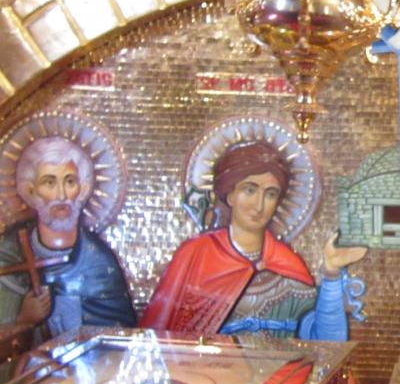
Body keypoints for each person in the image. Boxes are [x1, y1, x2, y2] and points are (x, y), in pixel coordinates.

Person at [140, 141, 366, 340]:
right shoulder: (196, 254)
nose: (259, 205)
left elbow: (325, 342)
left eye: (270, 194)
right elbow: (158, 337)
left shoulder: (288, 264)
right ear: (230, 195)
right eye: (249, 190)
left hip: (280, 375)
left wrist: (332, 273)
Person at [0, 136, 136, 335]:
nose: (62, 196)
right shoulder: (9, 253)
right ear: (30, 191)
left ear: (82, 189)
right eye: (49, 183)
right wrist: (23, 320)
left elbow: (119, 339)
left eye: (70, 182)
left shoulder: (98, 261)